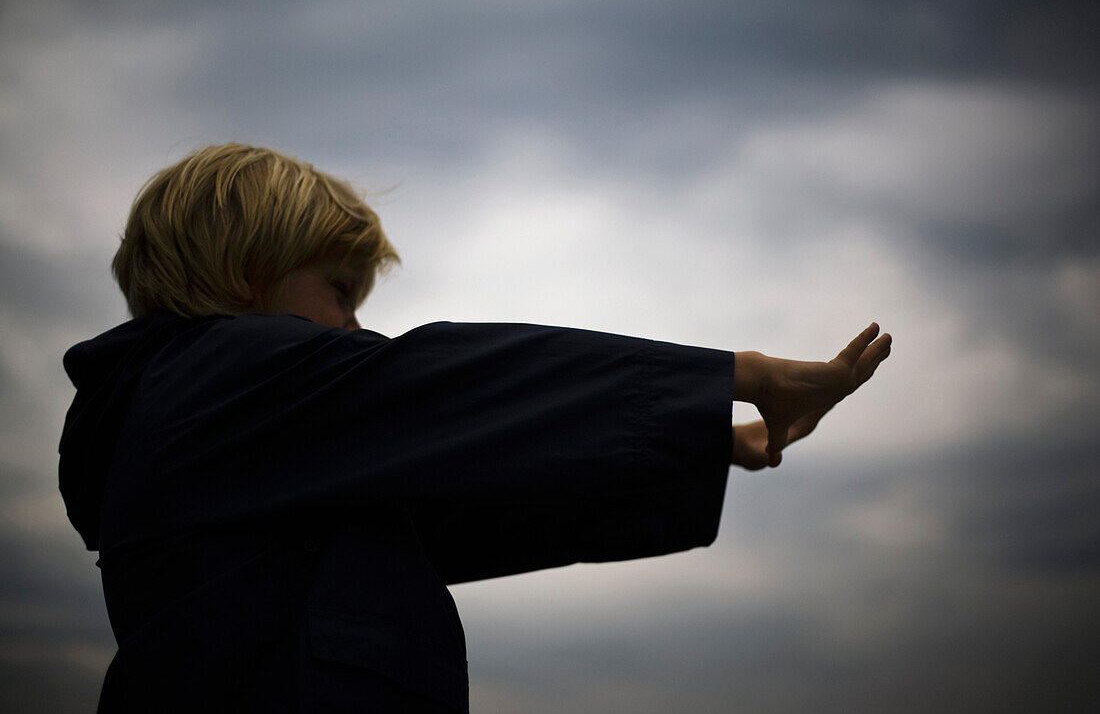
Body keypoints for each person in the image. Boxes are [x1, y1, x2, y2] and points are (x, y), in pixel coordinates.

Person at [59, 143, 892, 713]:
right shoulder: (206, 379)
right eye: (341, 292)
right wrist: (741, 374)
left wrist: (705, 437)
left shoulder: (239, 441)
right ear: (246, 282)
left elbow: (478, 487)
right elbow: (458, 386)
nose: (357, 330)